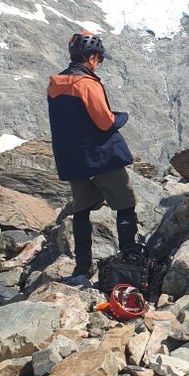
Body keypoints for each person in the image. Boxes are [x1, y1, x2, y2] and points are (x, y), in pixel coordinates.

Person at [47, 32, 143, 278]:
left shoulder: (55, 85)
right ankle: (130, 256)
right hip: (101, 157)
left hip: (74, 160)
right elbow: (104, 122)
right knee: (125, 202)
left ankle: (82, 265)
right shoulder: (87, 84)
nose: (98, 62)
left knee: (82, 210)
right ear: (91, 57)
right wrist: (121, 117)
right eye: (99, 58)